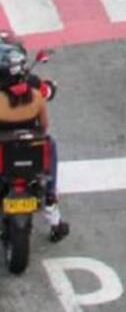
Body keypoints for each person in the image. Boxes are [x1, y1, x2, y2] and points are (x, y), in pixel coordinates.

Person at [0, 37, 68, 242]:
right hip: (32, 147)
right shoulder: (33, 87)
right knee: (51, 144)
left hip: (6, 151)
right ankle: (51, 202)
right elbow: (44, 121)